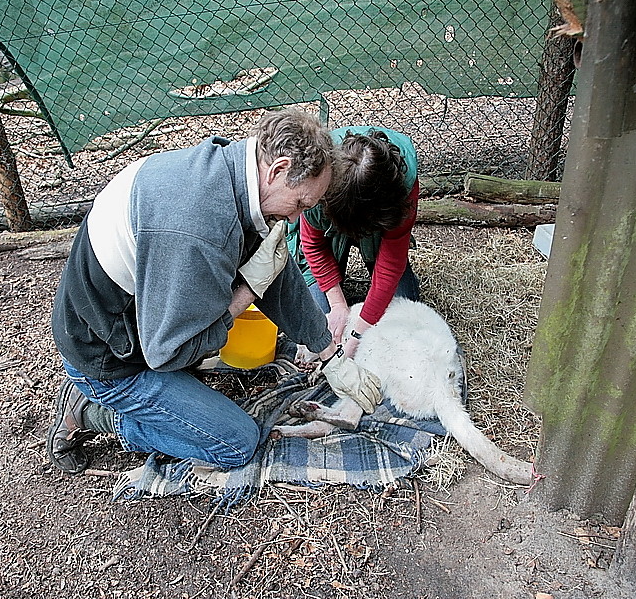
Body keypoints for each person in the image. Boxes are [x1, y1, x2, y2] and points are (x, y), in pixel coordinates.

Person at [47, 109, 382, 475]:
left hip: (130, 320)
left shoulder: (234, 171)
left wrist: (329, 354)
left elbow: (275, 270)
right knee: (236, 444)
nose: (293, 220)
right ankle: (92, 412)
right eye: (301, 204)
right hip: (109, 355)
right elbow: (168, 352)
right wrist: (248, 291)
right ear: (278, 170)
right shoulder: (198, 231)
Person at [288, 126, 420, 358]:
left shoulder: (400, 187)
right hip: (333, 220)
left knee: (406, 306)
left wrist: (359, 334)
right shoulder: (317, 181)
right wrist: (338, 305)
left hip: (375, 220)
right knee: (315, 320)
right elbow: (313, 244)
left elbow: (390, 265)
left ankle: (370, 248)